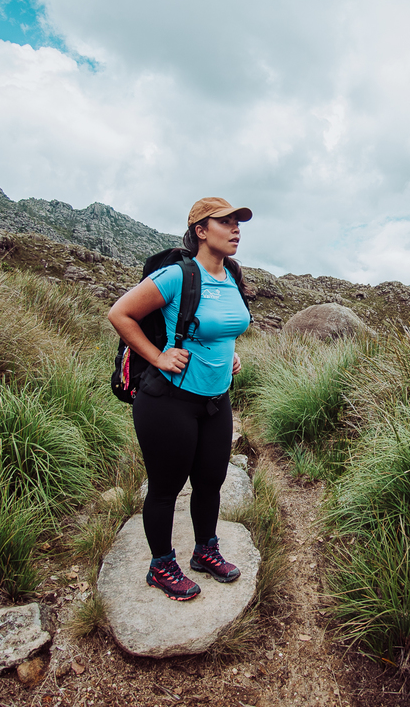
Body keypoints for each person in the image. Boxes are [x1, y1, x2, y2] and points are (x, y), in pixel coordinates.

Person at [108, 197, 253, 601]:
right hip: (169, 401)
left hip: (216, 400)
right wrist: (157, 356)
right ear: (201, 231)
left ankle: (205, 551)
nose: (236, 229)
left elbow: (221, 327)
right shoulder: (177, 275)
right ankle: (161, 565)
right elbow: (120, 314)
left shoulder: (232, 274)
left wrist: (230, 354)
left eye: (238, 222)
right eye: (225, 222)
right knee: (165, 487)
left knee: (211, 481)